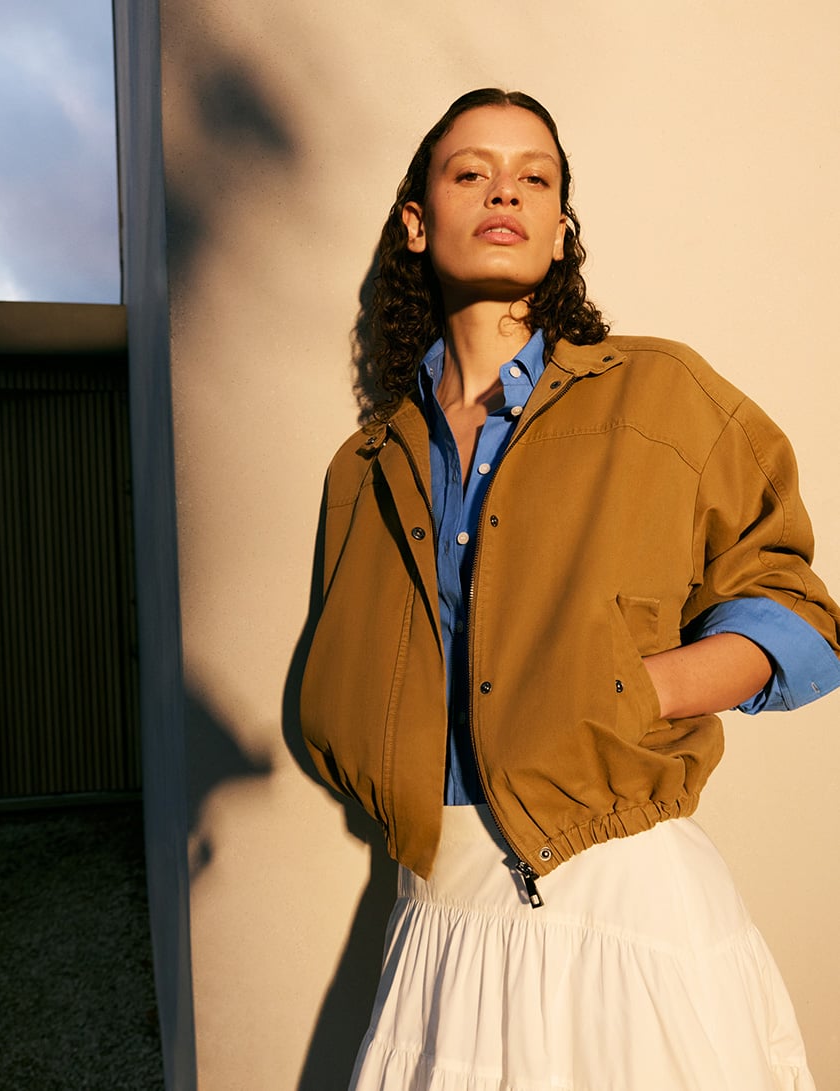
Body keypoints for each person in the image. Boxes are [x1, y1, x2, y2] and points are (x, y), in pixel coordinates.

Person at [300, 88, 840, 1090]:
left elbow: (795, 610)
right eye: (471, 171)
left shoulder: (659, 392)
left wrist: (635, 689)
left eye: (533, 177)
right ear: (416, 221)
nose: (503, 191)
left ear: (559, 229)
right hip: (441, 910)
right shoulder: (365, 464)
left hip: (626, 905)